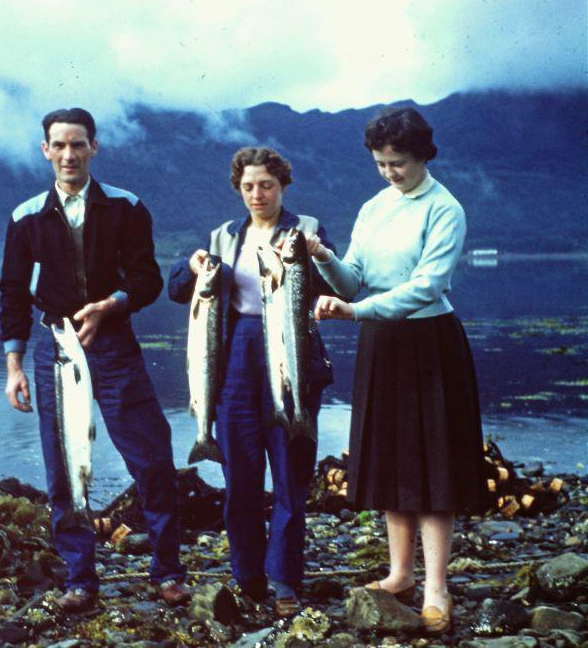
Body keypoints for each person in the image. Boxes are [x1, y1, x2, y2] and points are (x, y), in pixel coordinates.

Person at [0, 108, 190, 613]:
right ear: (45, 150)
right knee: (64, 467)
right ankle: (80, 579)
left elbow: (146, 280)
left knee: (151, 457)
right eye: (58, 145)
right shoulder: (25, 218)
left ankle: (168, 571)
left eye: (78, 145)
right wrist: (14, 366)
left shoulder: (127, 208)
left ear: (94, 148)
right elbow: (13, 295)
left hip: (115, 347)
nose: (68, 155)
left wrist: (111, 306)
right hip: (54, 351)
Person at [308, 107, 488, 634]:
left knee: (433, 465)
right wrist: (322, 258)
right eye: (382, 163)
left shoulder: (445, 208)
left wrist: (357, 311)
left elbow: (427, 286)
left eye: (399, 163)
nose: (390, 172)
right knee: (389, 457)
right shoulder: (374, 208)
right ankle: (399, 574)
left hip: (430, 341)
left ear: (424, 155)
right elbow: (352, 279)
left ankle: (436, 587)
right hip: (382, 343)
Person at [168, 147, 335, 616]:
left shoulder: (308, 230)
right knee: (240, 477)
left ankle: (285, 580)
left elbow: (332, 282)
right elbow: (179, 289)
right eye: (248, 187)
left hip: (292, 353)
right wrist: (192, 265)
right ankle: (248, 576)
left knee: (290, 474)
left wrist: (312, 256)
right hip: (233, 359)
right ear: (238, 189)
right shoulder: (223, 236)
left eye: (266, 185)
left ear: (283, 186)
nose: (257, 195)